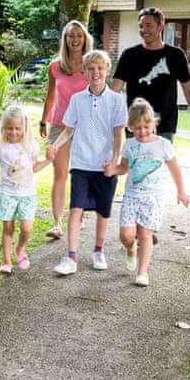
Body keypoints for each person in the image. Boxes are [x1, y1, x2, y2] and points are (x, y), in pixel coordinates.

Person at [46, 50, 127, 276]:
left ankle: (98, 251)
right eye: (90, 68)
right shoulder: (77, 99)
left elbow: (119, 133)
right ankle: (71, 257)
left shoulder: (116, 101)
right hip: (81, 164)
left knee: (103, 212)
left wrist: (115, 160)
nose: (95, 72)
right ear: (84, 72)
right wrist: (56, 146)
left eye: (100, 68)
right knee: (75, 209)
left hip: (104, 166)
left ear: (107, 70)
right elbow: (68, 129)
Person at [103, 98, 190, 287]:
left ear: (154, 123)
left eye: (146, 126)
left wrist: (181, 191)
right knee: (126, 235)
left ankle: (142, 273)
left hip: (153, 198)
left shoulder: (163, 144)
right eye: (137, 128)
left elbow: (175, 169)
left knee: (145, 235)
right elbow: (124, 168)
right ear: (130, 127)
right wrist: (113, 170)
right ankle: (131, 249)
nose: (142, 131)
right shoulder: (129, 144)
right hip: (132, 196)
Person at [0, 105, 50, 274]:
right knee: (8, 228)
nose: (13, 132)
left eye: (17, 128)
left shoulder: (31, 146)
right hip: (7, 194)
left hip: (27, 194)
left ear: (24, 128)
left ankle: (20, 249)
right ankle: (6, 261)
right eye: (9, 128)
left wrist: (48, 160)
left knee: (27, 229)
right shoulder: (0, 147)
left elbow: (34, 167)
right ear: (3, 128)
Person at [111, 7, 190, 144]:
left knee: (161, 165)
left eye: (148, 25)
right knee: (134, 165)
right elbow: (114, 91)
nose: (144, 30)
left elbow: (188, 90)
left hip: (165, 126)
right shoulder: (129, 55)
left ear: (161, 26)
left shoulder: (175, 55)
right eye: (141, 26)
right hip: (136, 126)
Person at [39, 20, 94, 240]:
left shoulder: (91, 65)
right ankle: (57, 223)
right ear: (65, 38)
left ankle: (78, 217)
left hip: (85, 125)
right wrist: (44, 120)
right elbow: (51, 95)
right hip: (60, 124)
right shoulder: (55, 66)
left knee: (80, 173)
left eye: (79, 35)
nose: (75, 39)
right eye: (71, 35)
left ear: (85, 38)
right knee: (60, 173)